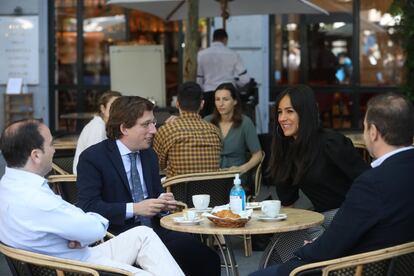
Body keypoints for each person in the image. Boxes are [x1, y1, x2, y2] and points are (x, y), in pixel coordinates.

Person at [251, 93, 414, 275]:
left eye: (289, 111)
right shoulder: (288, 149)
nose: (282, 118)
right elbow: (288, 199)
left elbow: (336, 242)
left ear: (373, 132)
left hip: (348, 253)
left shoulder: (368, 180)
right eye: (279, 112)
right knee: (296, 233)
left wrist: (309, 250)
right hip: (374, 249)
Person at [0, 119, 184, 276]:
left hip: (67, 260)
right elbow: (93, 231)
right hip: (81, 269)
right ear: (36, 155)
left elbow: (76, 224)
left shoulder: (8, 186)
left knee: (143, 234)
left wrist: (77, 231)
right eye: (51, 144)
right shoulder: (36, 200)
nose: (54, 150)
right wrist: (86, 227)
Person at [76, 96, 221, 276]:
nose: (154, 130)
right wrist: (135, 208)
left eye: (153, 123)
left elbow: (155, 195)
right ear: (124, 128)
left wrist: (163, 203)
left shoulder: (149, 155)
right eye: (146, 125)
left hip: (156, 229)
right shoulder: (94, 158)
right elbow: (88, 207)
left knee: (208, 258)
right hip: (118, 236)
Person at [153, 82, 221, 178]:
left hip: (178, 192)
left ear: (177, 104)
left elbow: (157, 165)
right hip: (211, 192)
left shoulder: (166, 130)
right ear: (202, 104)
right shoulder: (215, 131)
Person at [204, 82, 262, 190]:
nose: (220, 104)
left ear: (234, 101)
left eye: (225, 99)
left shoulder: (245, 123)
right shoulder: (207, 121)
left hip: (236, 176)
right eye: (217, 99)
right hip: (212, 175)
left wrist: (242, 169)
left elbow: (258, 155)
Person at [197, 29, 250, 116]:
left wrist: (204, 89)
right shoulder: (233, 54)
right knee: (228, 124)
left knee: (209, 124)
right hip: (228, 93)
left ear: (213, 39)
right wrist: (236, 84)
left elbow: (199, 78)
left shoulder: (201, 54)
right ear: (225, 39)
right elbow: (245, 79)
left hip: (208, 94)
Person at [73, 90, 122, 174]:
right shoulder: (97, 127)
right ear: (103, 108)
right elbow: (95, 160)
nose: (117, 110)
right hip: (89, 178)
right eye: (113, 106)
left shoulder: (105, 126)